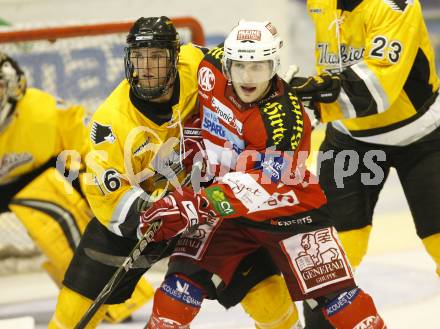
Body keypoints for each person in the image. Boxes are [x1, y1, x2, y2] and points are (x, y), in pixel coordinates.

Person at [48, 16, 300, 329]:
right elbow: (108, 197)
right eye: (140, 58)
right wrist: (155, 210)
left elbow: (248, 74)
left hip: (205, 203)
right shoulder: (111, 123)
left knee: (264, 293)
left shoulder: (198, 66)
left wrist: (283, 95)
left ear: (175, 58)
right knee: (76, 307)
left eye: (157, 57)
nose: (147, 67)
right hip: (146, 217)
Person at [140, 20, 387, 329]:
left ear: (275, 65)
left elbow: (259, 185)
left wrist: (194, 204)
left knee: (344, 304)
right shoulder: (209, 67)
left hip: (287, 210)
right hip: (227, 212)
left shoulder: (284, 119)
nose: (247, 77)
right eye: (239, 66)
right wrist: (189, 147)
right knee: (176, 292)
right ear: (225, 60)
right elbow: (194, 106)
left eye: (258, 67)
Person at [288, 0, 440, 327]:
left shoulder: (396, 6)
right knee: (327, 258)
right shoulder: (319, 3)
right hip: (350, 139)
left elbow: (379, 88)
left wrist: (317, 98)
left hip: (422, 136)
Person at [0, 52, 153, 323]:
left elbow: (89, 155)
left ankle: (103, 297)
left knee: (55, 203)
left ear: (13, 85)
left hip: (37, 179)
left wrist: (96, 201)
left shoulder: (44, 112)